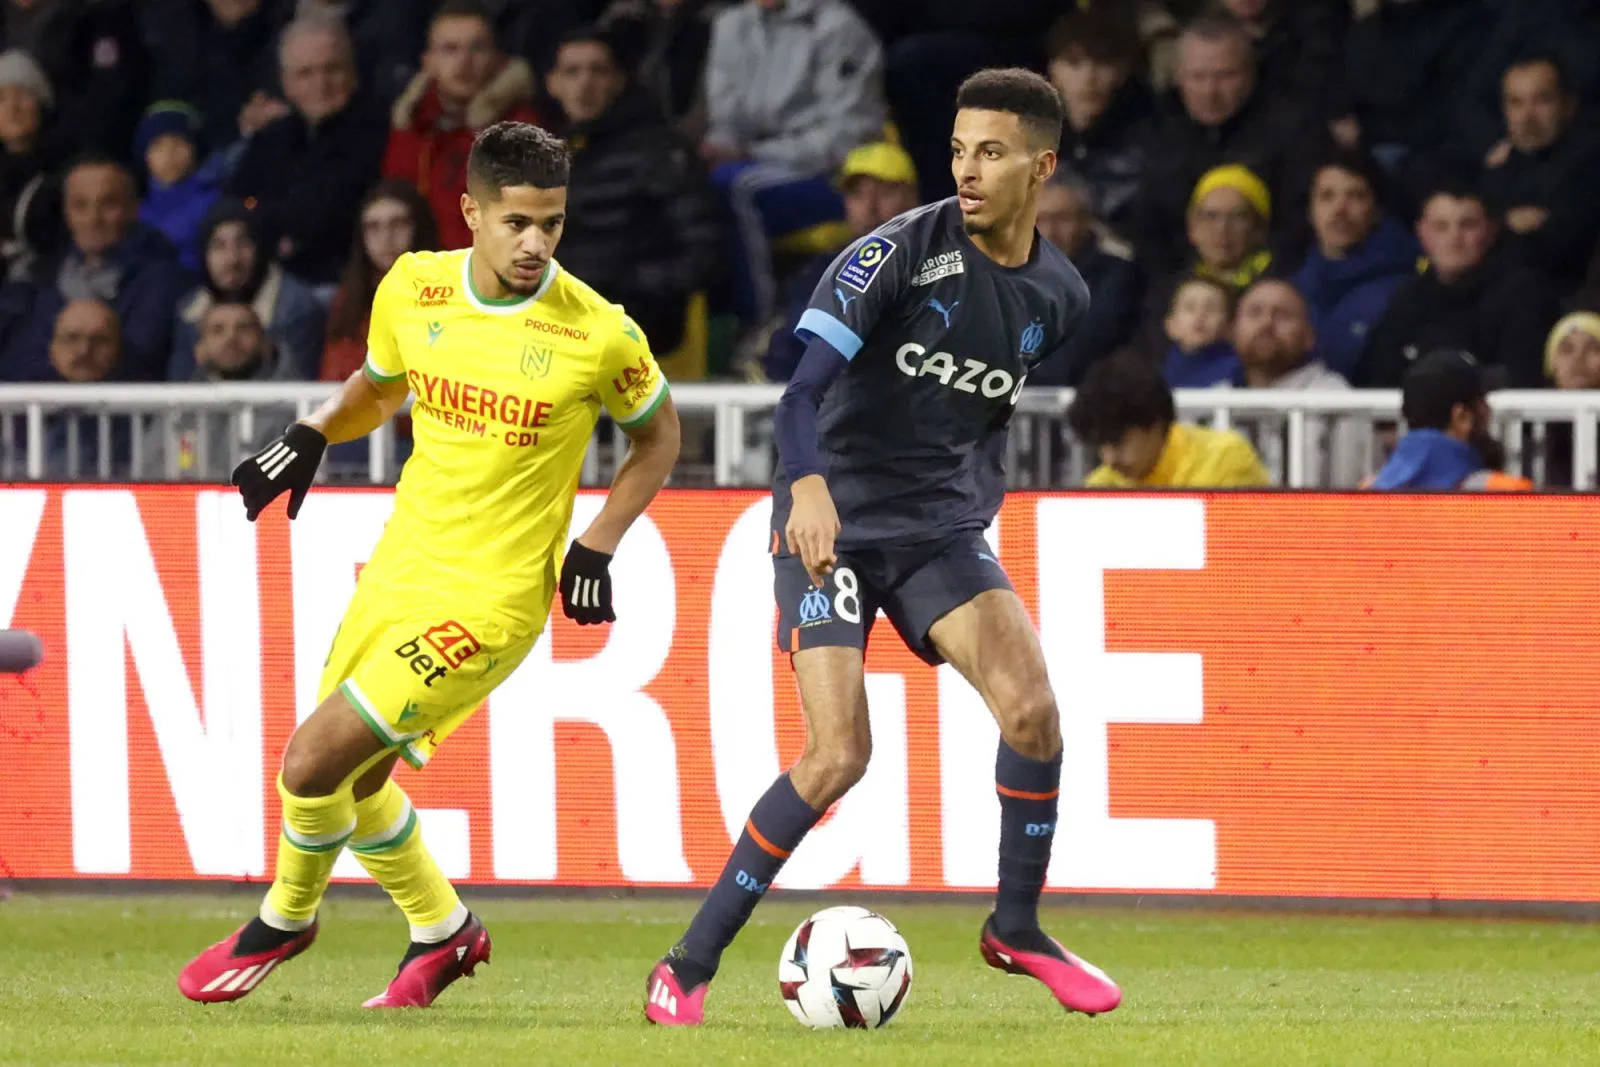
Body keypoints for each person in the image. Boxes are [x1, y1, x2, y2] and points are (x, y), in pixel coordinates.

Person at [645, 68, 1121, 1028]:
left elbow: (984, 406)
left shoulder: (1060, 294)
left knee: (1034, 713)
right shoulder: (892, 255)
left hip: (936, 525)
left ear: (1042, 166)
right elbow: (797, 394)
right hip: (830, 522)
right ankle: (687, 964)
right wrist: (807, 488)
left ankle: (1017, 928)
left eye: (990, 152)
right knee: (838, 754)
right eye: (957, 151)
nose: (968, 171)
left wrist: (970, 499)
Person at [177, 121, 682, 1009]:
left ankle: (285, 918)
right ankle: (444, 931)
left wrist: (599, 538)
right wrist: (311, 433)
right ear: (472, 212)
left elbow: (658, 436)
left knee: (310, 762)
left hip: (492, 600)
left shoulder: (598, 332)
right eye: (517, 222)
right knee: (359, 779)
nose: (535, 244)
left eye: (552, 225)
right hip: (403, 567)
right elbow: (379, 385)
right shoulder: (413, 287)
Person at [1070, 354, 1269, 489]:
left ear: (1155, 424)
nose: (1109, 459)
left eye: (1117, 442)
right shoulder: (1104, 484)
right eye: (1100, 445)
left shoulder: (1224, 458)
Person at [321, 179, 438, 382]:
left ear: (419, 227)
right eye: (373, 227)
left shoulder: (454, 289)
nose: (386, 237)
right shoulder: (348, 300)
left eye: (398, 224)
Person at [1367, 348, 1530, 492]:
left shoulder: (1365, 497)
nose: (1489, 411)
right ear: (1461, 417)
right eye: (1482, 401)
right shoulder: (1509, 496)